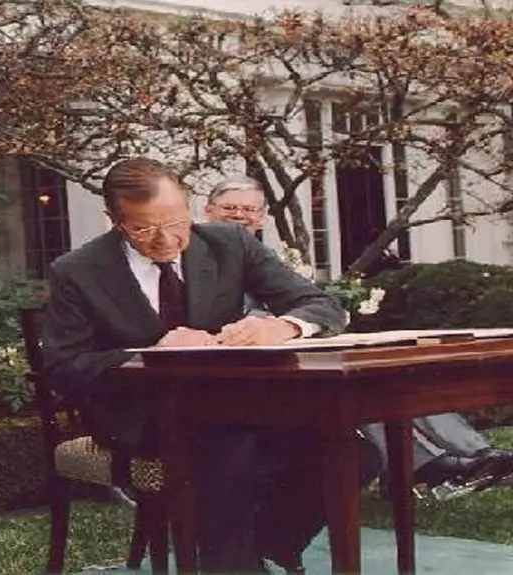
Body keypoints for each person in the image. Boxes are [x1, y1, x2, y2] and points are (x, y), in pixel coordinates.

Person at [42, 158, 380, 575]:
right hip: (141, 412)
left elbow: (321, 306)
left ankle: (262, 551)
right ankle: (235, 566)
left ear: (189, 205)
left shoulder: (229, 244)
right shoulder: (78, 270)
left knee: (354, 454)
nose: (166, 240)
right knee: (228, 447)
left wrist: (281, 326)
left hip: (241, 405)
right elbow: (63, 366)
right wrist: (149, 353)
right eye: (143, 229)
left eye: (175, 222)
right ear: (114, 219)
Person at [205, 176, 513, 496]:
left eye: (249, 209)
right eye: (229, 208)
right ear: (209, 210)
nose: (239, 215)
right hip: (240, 373)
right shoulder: (196, 260)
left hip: (292, 354)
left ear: (262, 216)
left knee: (390, 376)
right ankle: (425, 465)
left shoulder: (264, 259)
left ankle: (476, 455)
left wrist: (288, 324)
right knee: (356, 387)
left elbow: (314, 305)